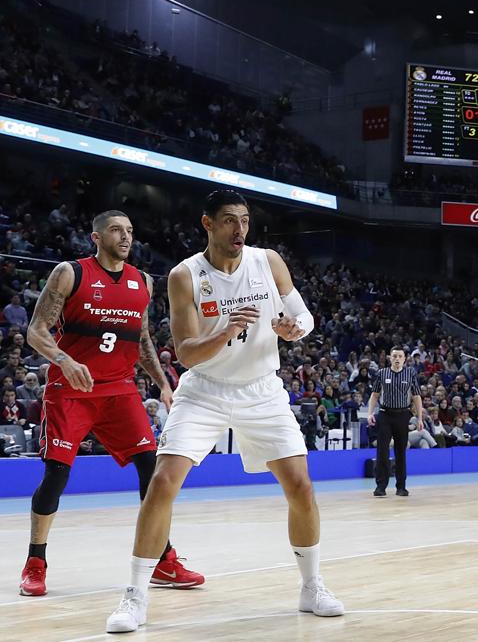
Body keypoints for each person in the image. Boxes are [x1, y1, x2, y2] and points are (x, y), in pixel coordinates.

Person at [105, 190, 343, 633]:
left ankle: (312, 586)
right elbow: (187, 352)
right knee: (162, 482)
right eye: (230, 220)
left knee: (301, 485)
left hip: (261, 390)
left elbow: (303, 316)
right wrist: (228, 330)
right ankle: (134, 596)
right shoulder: (185, 275)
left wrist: (294, 329)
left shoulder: (267, 261)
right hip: (205, 391)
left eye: (245, 220)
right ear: (207, 224)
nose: (240, 230)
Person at [19, 210, 199, 599]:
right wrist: (65, 361)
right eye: (117, 230)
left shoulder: (143, 281)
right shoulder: (71, 273)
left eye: (130, 231)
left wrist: (163, 383)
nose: (126, 237)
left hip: (119, 390)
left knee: (153, 471)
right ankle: (36, 562)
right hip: (71, 389)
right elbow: (36, 331)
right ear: (97, 237)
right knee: (57, 476)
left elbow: (144, 339)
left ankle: (162, 560)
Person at [366, 346, 423, 496]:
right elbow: (374, 395)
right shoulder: (382, 373)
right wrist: (370, 413)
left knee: (401, 452)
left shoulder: (410, 373)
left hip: (403, 415)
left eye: (400, 356)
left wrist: (419, 417)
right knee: (382, 452)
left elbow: (416, 396)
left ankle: (401, 486)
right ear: (390, 358)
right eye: (394, 356)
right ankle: (380, 486)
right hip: (385, 415)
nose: (397, 359)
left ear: (404, 359)